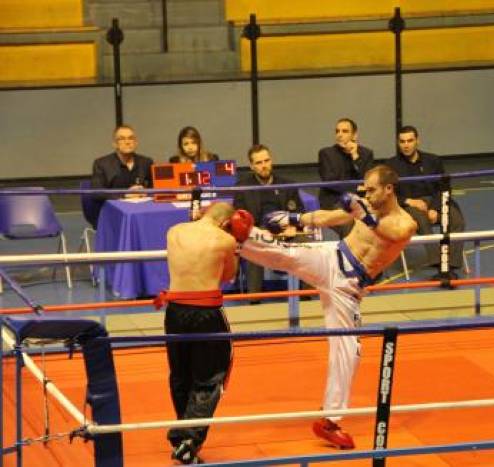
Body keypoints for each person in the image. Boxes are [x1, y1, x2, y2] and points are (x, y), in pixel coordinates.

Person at [239, 164, 417, 449]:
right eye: (365, 189)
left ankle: (329, 422)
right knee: (289, 254)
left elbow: (390, 234)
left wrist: (362, 213)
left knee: (349, 351)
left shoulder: (404, 221)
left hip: (349, 287)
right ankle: (238, 235)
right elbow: (327, 217)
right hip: (333, 258)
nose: (367, 194)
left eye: (372, 189)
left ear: (389, 189)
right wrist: (294, 218)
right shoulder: (365, 207)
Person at [156, 202, 253, 464]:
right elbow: (228, 277)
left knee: (180, 374)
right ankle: (188, 441)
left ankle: (183, 436)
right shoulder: (224, 239)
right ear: (225, 223)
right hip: (206, 312)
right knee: (212, 378)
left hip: (174, 312)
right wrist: (236, 242)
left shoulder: (174, 231)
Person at [386, 125, 466, 279]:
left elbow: (444, 188)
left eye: (410, 140)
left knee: (456, 221)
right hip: (408, 205)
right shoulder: (391, 165)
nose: (406, 145)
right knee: (421, 221)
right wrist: (409, 201)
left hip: (434, 201)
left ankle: (451, 265)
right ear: (398, 143)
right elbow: (388, 193)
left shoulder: (433, 160)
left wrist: (435, 208)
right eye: (402, 141)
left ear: (417, 141)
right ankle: (440, 265)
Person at [233, 144, 306, 300]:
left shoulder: (287, 184)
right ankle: (254, 299)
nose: (264, 165)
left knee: (306, 242)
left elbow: (300, 212)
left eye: (266, 160)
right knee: (252, 245)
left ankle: (307, 296)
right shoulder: (242, 188)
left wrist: (293, 226)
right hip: (258, 232)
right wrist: (258, 231)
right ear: (252, 166)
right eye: (259, 163)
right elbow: (238, 218)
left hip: (285, 230)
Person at [318, 118, 374, 239]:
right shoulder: (326, 153)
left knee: (378, 223)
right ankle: (351, 257)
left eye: (344, 131)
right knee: (349, 223)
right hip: (335, 201)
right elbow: (329, 181)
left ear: (354, 135)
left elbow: (368, 181)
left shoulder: (366, 154)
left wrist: (355, 157)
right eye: (337, 131)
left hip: (362, 201)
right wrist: (356, 187)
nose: (339, 135)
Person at [91, 125, 154, 221]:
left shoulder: (146, 162)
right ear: (115, 144)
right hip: (115, 213)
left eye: (131, 138)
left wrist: (146, 192)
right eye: (122, 139)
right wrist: (125, 194)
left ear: (136, 142)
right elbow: (97, 193)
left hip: (142, 211)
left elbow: (155, 188)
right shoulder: (102, 164)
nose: (127, 142)